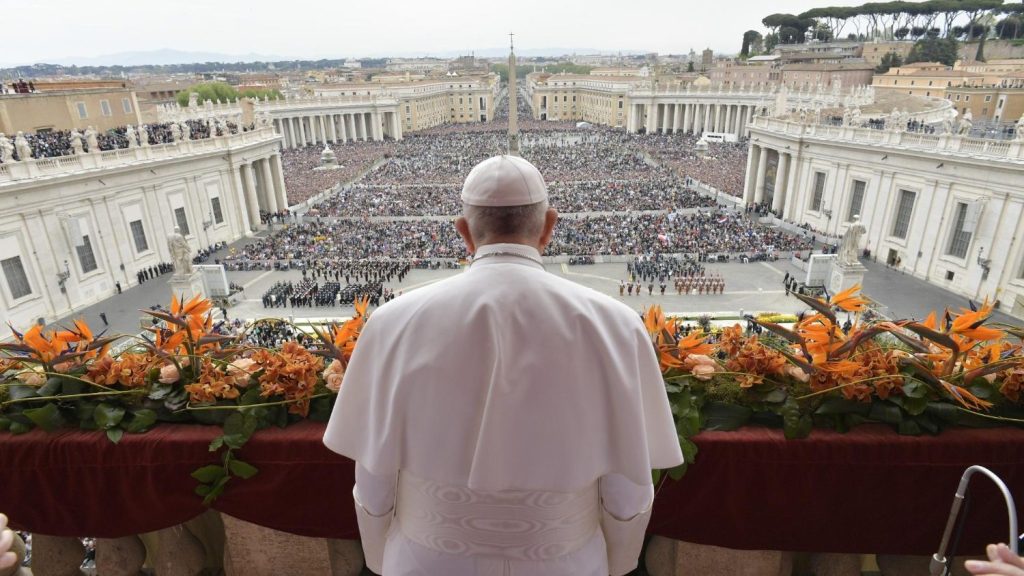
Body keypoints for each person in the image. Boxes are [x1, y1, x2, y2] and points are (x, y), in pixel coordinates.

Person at [324, 155, 683, 576]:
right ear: (549, 225)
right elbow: (628, 485)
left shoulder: (391, 322)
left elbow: (374, 476)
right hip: (565, 561)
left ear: (463, 232)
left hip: (426, 560)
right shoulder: (617, 325)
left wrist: (381, 556)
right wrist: (618, 560)